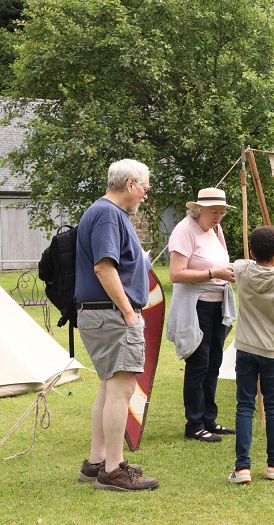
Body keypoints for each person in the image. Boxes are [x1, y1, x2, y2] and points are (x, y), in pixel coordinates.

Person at [75, 159, 159, 491]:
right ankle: (113, 470)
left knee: (109, 386)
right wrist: (128, 312)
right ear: (130, 184)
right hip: (111, 314)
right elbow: (104, 268)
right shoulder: (108, 214)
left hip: (100, 313)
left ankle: (97, 463)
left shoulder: (104, 213)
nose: (145, 195)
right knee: (121, 389)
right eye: (145, 188)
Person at [228, 226, 274, 484]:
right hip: (272, 352)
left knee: (245, 406)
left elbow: (239, 263)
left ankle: (241, 468)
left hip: (246, 349)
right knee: (273, 406)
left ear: (251, 251)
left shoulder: (242, 270)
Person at [166, 187, 237, 443]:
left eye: (222, 212)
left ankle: (209, 419)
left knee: (214, 363)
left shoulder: (216, 230)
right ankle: (194, 424)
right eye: (213, 211)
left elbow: (220, 263)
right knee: (198, 364)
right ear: (198, 209)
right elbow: (176, 274)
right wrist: (212, 274)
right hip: (196, 307)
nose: (218, 217)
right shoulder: (184, 231)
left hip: (218, 304)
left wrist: (229, 272)